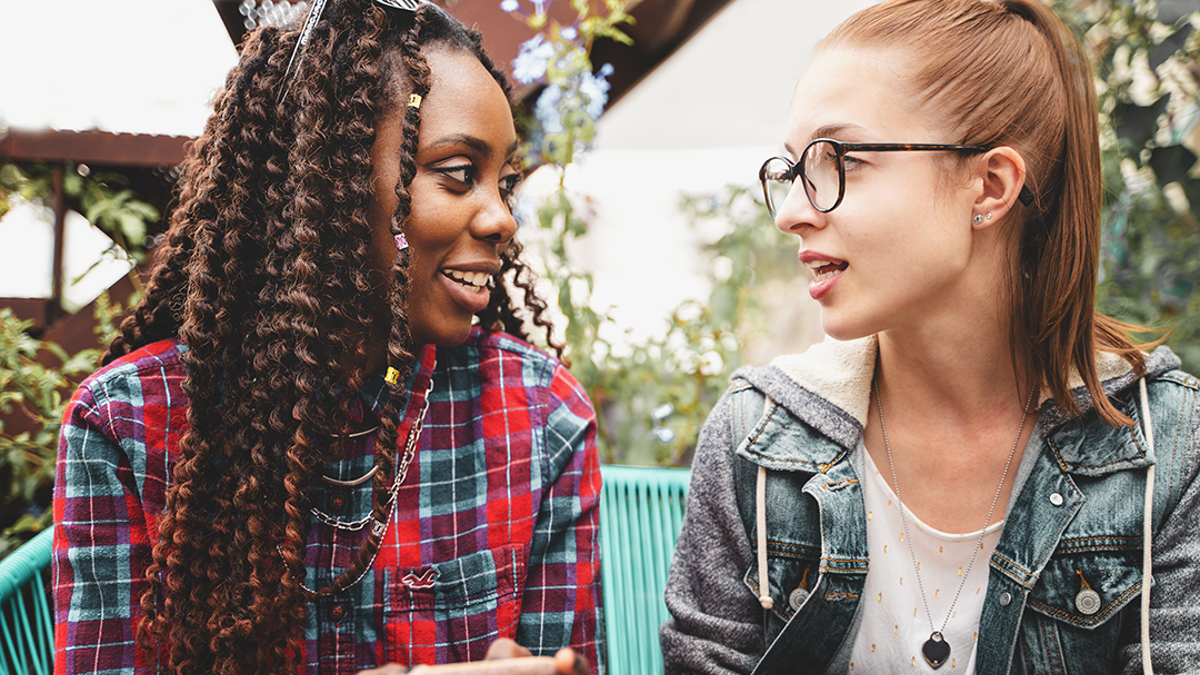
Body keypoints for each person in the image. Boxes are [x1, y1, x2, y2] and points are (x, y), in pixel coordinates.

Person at [52, 3, 602, 675]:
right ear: (333, 179)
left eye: (504, 182)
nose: (502, 218)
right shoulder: (128, 427)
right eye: (458, 172)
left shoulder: (542, 418)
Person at [660, 0, 1200, 672]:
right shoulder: (756, 440)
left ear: (990, 186)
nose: (793, 213)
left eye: (838, 161)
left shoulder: (1168, 448)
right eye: (793, 170)